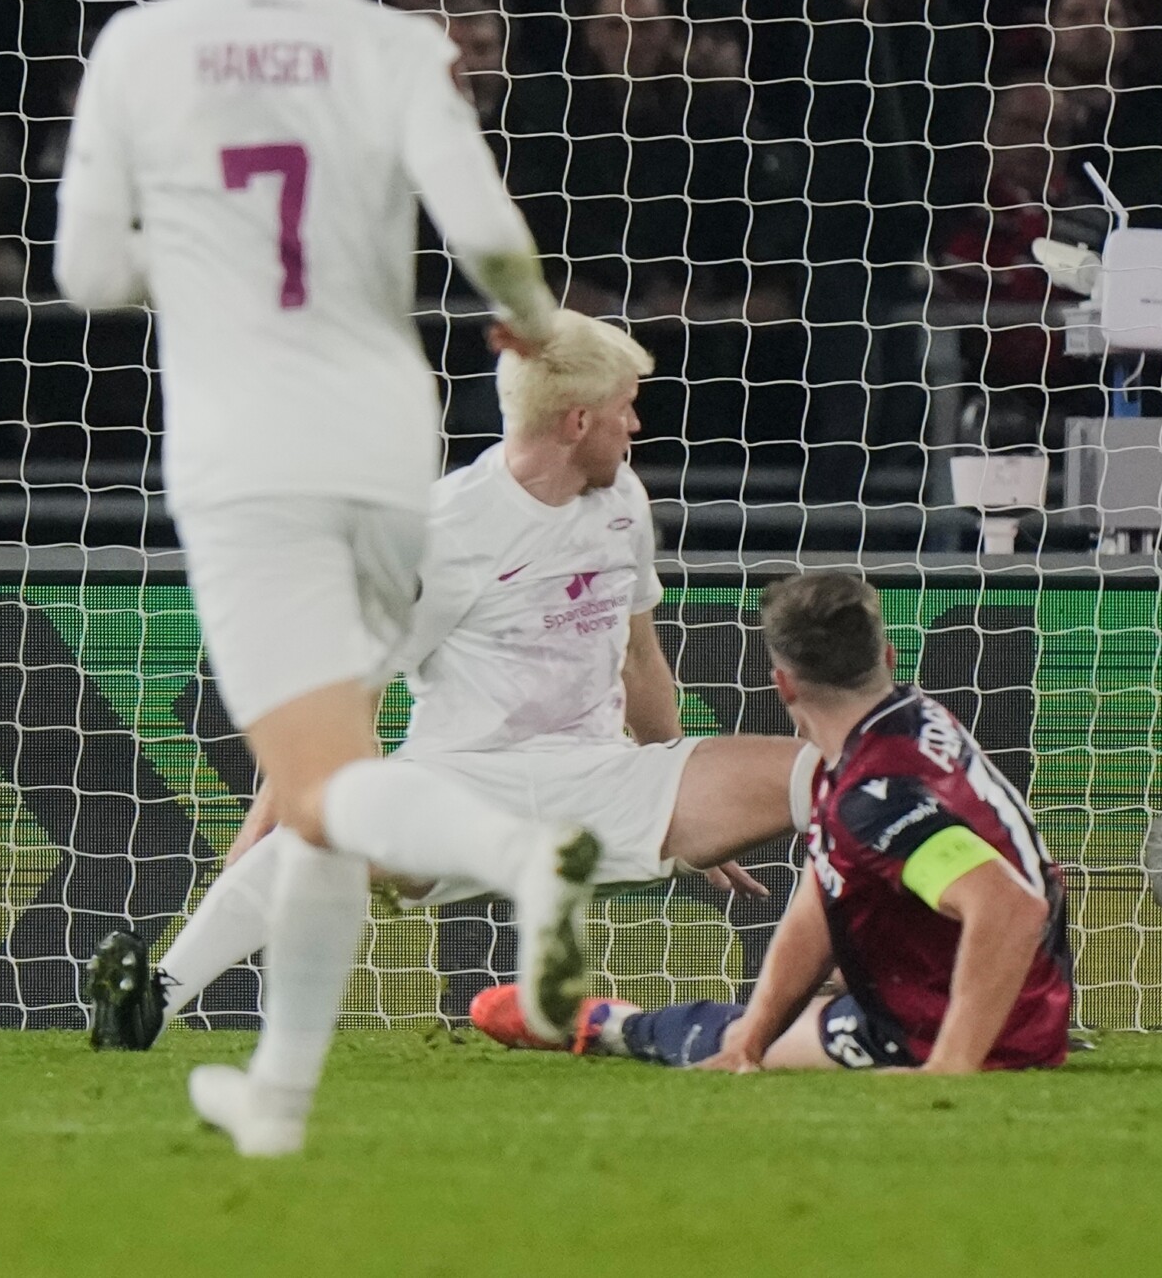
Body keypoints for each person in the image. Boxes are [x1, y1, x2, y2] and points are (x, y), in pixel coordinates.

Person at [53, 0, 587, 1157]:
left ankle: (525, 859)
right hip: (386, 440)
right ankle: (278, 1096)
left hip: (252, 451)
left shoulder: (142, 46)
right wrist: (543, 331)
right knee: (325, 780)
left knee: (323, 781)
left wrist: (208, 263)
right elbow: (489, 237)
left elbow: (88, 270)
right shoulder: (397, 48)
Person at [86, 313, 817, 1049]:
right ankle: (150, 1002)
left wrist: (683, 789)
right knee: (316, 835)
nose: (634, 423)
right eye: (627, 405)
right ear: (578, 419)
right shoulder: (441, 534)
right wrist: (270, 839)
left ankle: (888, 981)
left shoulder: (622, 497)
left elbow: (640, 659)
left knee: (829, 775)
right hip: (462, 782)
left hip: (604, 776)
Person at [468, 570, 1073, 1074]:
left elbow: (1011, 909)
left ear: (782, 685)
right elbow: (822, 895)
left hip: (950, 1033)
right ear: (886, 657)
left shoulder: (875, 795)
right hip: (1007, 1010)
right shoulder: (912, 720)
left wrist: (951, 1065)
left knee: (697, 1036)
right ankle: (712, 1034)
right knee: (741, 1034)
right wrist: (751, 1043)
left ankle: (603, 1024)